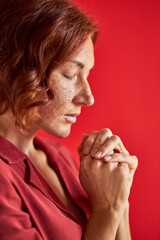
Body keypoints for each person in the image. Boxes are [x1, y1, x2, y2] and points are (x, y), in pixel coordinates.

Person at [0, 0, 138, 239]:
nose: (88, 98)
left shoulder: (62, 158)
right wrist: (106, 211)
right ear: (18, 69)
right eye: (71, 74)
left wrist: (120, 198)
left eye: (87, 75)